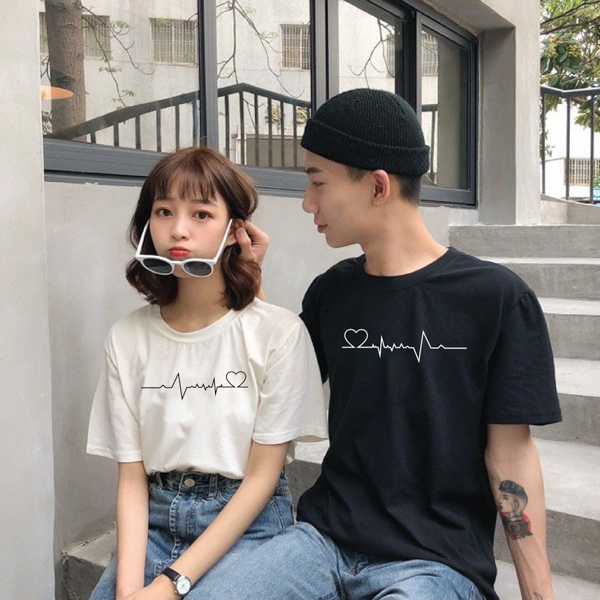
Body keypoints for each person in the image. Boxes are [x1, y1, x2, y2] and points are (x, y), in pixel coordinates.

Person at [187, 89, 562, 600]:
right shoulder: (332, 292)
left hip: (433, 564)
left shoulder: (496, 299)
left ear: (378, 187)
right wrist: (246, 281)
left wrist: (538, 594)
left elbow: (511, 457)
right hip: (322, 542)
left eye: (318, 181)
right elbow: (271, 387)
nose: (308, 202)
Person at [86, 146, 328, 600]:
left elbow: (261, 479)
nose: (179, 229)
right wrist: (127, 592)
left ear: (235, 229)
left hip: (249, 526)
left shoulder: (279, 334)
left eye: (201, 214)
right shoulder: (127, 338)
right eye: (164, 211)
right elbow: (132, 478)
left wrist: (170, 586)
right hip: (157, 518)